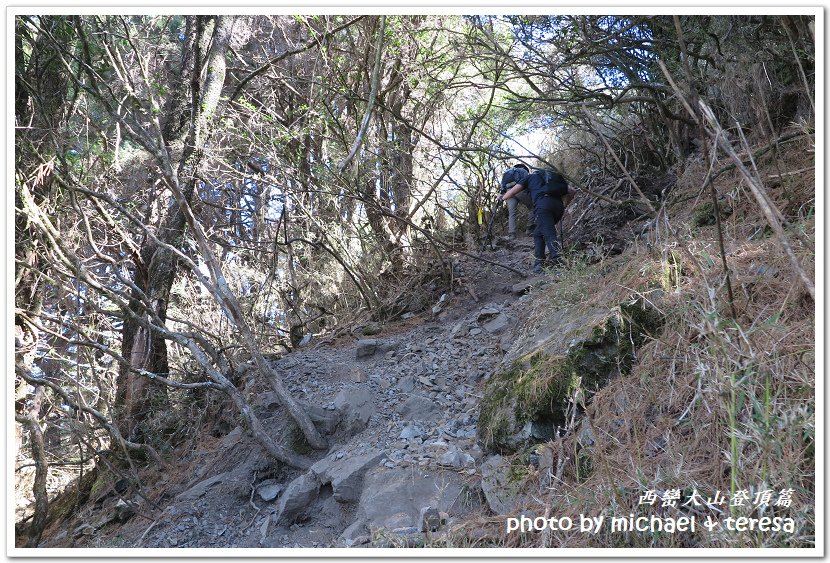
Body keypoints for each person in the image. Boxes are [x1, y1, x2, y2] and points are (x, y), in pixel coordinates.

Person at [501, 164, 576, 274]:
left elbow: (512, 192)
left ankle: (558, 262)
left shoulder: (530, 177)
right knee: (538, 233)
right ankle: (539, 262)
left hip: (543, 207)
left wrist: (502, 197)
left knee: (549, 233)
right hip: (558, 207)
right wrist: (565, 205)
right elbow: (572, 191)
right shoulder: (553, 179)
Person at [499, 163, 534, 239]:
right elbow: (527, 183)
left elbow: (502, 186)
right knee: (533, 207)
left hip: (508, 192)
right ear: (524, 167)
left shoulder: (507, 172)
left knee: (512, 213)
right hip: (520, 190)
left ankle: (512, 234)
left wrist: (503, 194)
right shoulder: (523, 171)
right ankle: (529, 229)